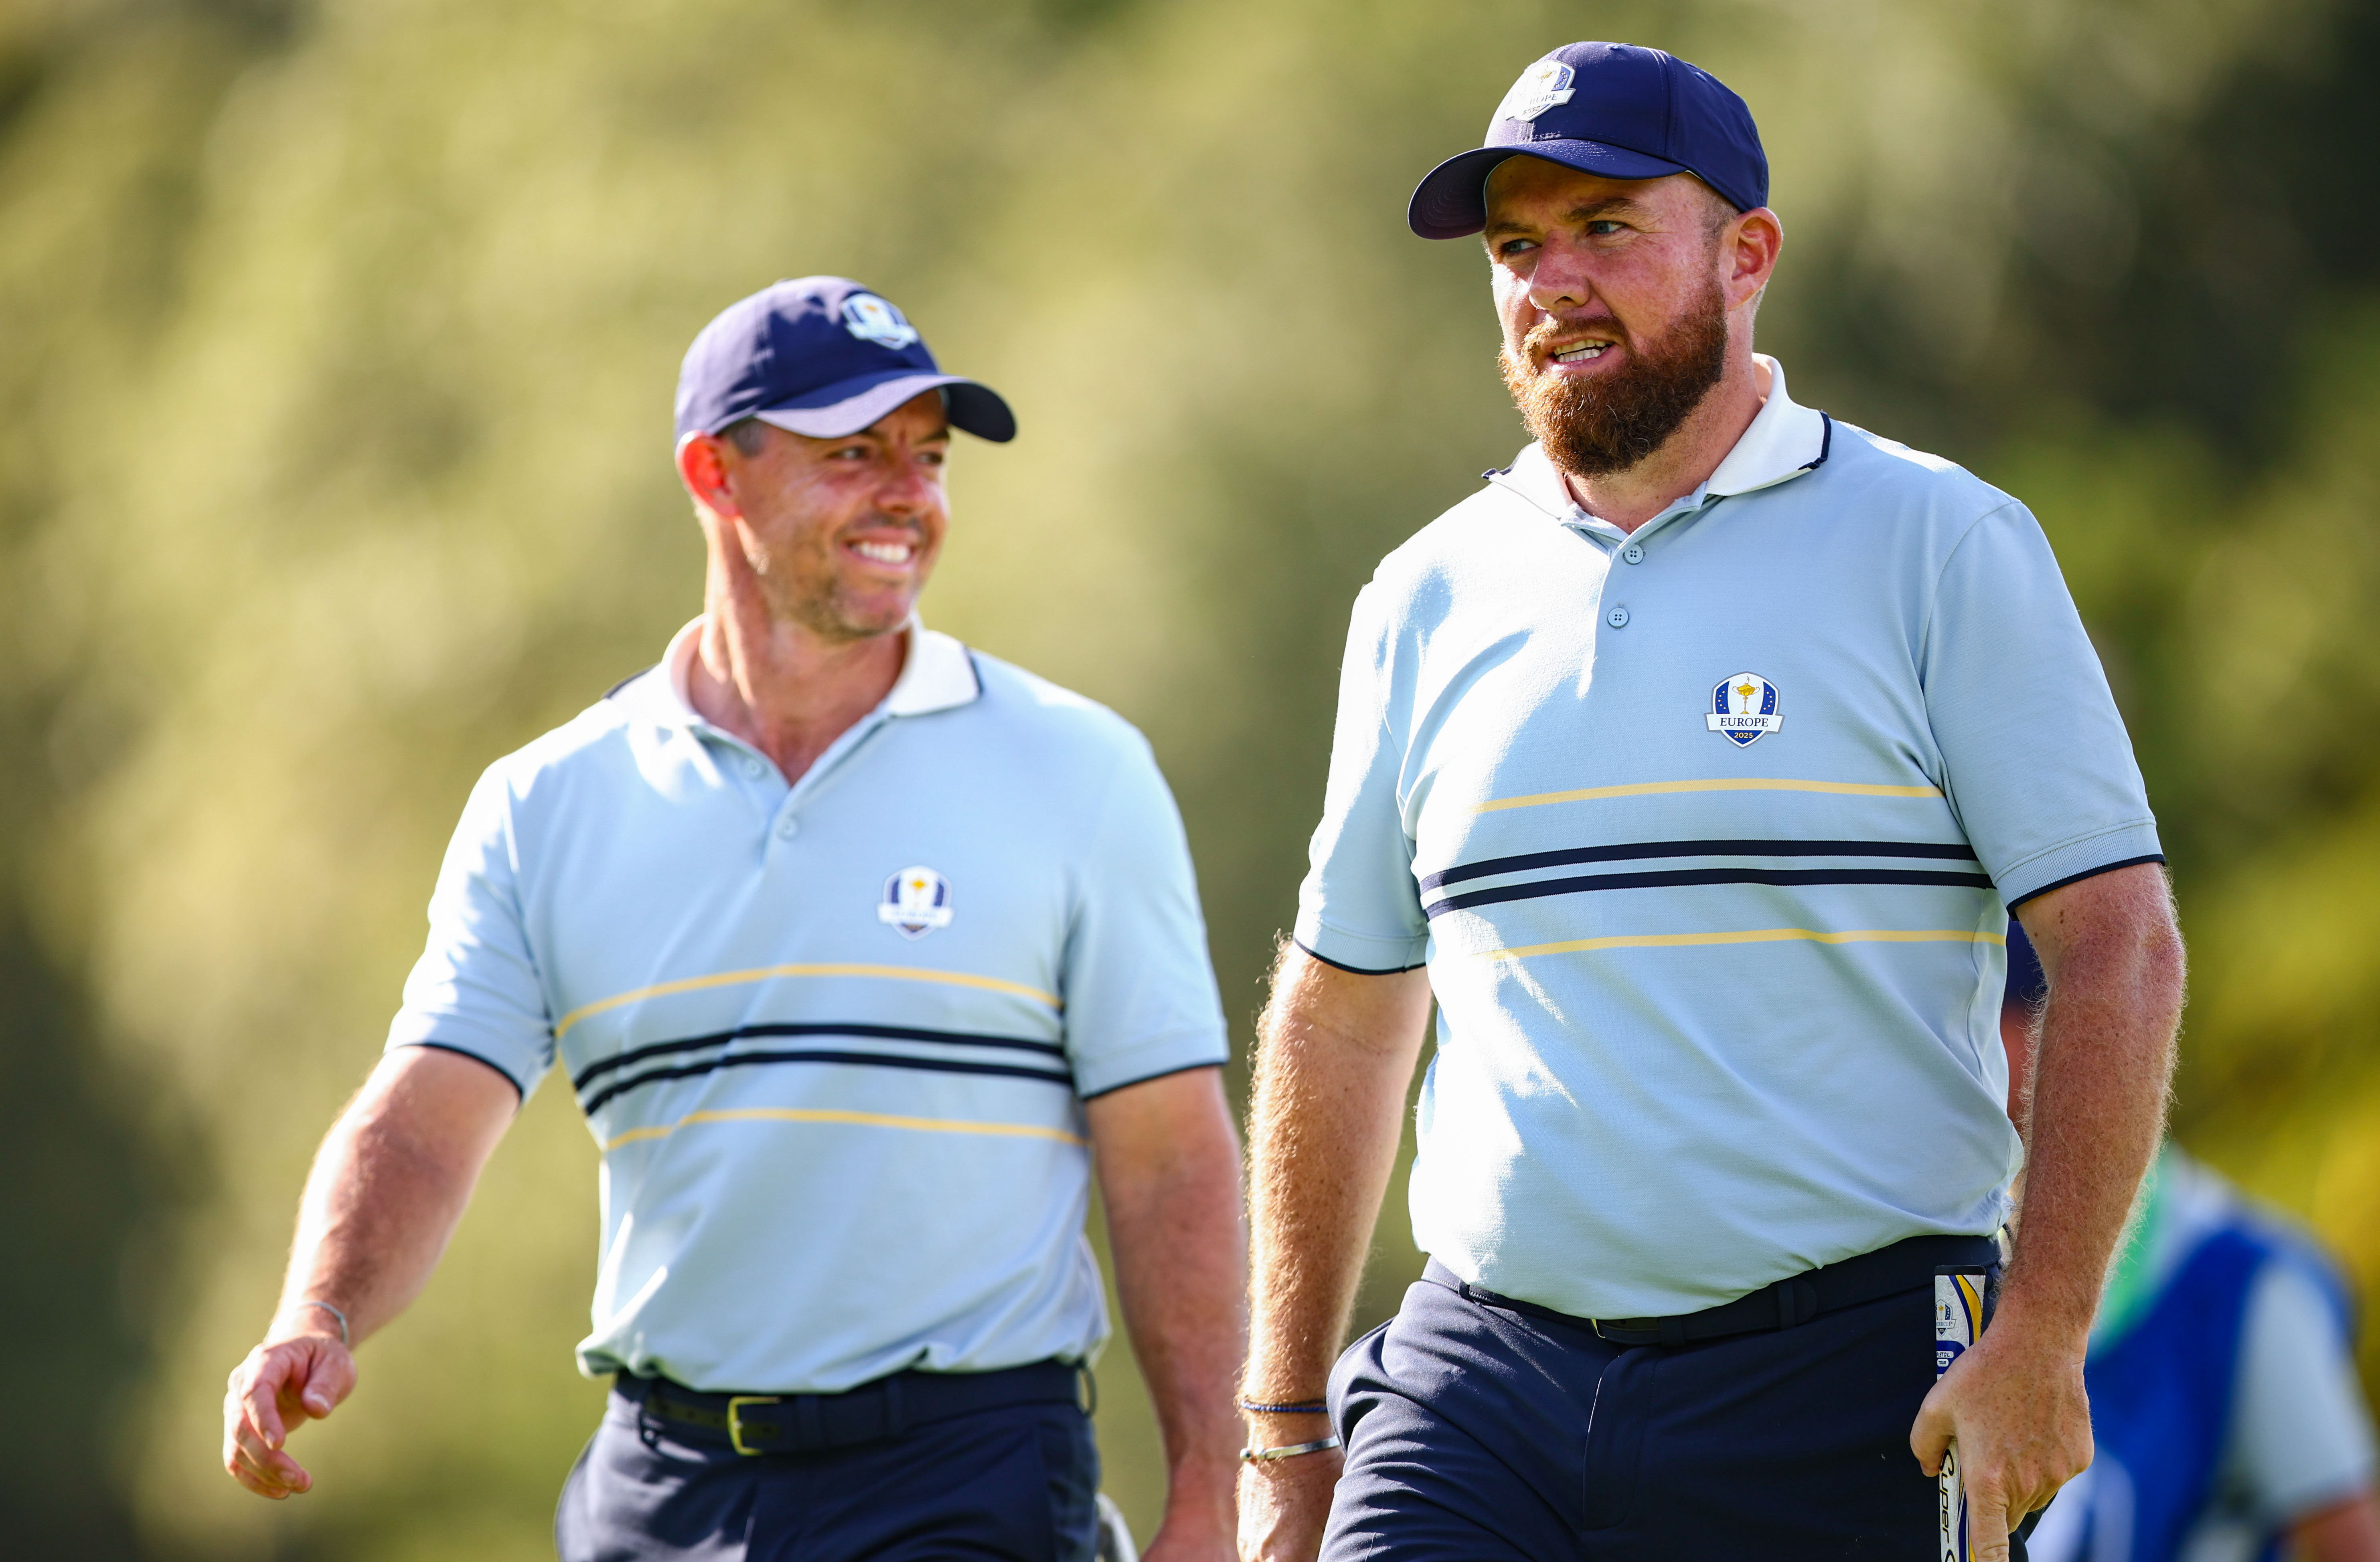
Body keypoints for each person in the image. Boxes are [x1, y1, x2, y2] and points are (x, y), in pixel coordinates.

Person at [1233, 40, 2186, 1562]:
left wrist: (2046, 1330)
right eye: (1515, 247)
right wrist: (1286, 1425)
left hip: (1846, 1377)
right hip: (1485, 1381)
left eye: (1605, 227)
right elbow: (1342, 1013)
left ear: (1748, 256)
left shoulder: (1940, 542)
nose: (1551, 280)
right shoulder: (1423, 595)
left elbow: (2117, 947)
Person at [220, 277, 1246, 1562]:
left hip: (966, 1468)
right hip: (665, 1485)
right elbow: (429, 1118)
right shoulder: (547, 802)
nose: (909, 495)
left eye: (928, 457)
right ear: (714, 473)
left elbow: (1171, 1160)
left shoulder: (1080, 772)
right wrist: (318, 1311)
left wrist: (1212, 1493)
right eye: (853, 454)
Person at [2000, 928, 2380, 1562]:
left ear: (2054, 1034)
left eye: (1979, 1022)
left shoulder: (2242, 1283)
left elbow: (2349, 1539)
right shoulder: (1974, 1239)